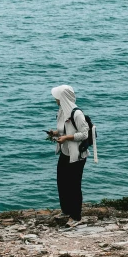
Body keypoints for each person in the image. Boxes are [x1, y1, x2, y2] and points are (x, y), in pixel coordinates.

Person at [49, 85, 89, 227]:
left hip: (77, 155)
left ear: (63, 98)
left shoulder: (76, 114)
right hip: (65, 153)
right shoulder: (62, 111)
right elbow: (64, 130)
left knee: (74, 185)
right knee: (62, 182)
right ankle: (66, 211)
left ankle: (76, 217)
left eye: (57, 97)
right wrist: (55, 133)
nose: (55, 99)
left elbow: (85, 134)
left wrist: (66, 138)